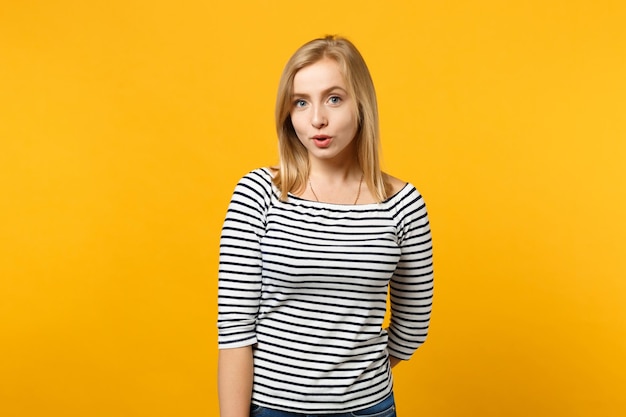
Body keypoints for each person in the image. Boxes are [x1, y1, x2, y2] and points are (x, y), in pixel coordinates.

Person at [217, 35, 434, 417]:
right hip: (273, 410)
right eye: (301, 102)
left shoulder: (403, 204)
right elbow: (235, 333)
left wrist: (352, 377)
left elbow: (413, 325)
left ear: (361, 104)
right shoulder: (260, 194)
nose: (317, 118)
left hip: (369, 410)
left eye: (334, 98)